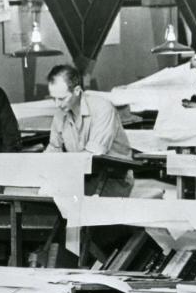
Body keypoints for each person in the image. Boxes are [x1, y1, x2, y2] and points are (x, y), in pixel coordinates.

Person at [45, 63, 133, 195]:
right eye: (53, 98)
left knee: (79, 209)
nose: (57, 104)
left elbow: (93, 157)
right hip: (80, 175)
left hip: (114, 178)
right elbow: (52, 151)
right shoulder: (60, 114)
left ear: (77, 91)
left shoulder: (102, 108)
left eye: (62, 98)